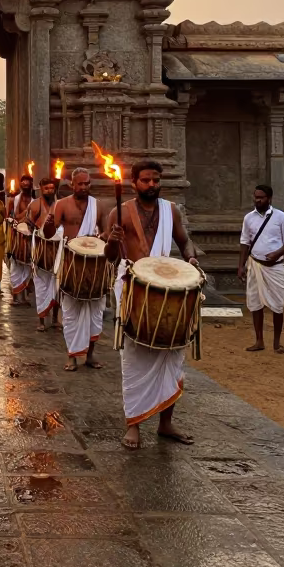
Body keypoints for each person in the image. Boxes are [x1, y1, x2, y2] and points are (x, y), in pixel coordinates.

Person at [105, 158, 199, 450]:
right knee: (134, 357)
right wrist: (112, 239)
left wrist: (191, 258)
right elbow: (110, 257)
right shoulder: (118, 212)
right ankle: (133, 424)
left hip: (166, 284)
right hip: (133, 286)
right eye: (146, 180)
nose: (152, 185)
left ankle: (166, 423)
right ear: (134, 183)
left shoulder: (171, 211)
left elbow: (184, 242)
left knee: (172, 356)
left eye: (156, 180)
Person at [43, 167, 102, 365]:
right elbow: (49, 233)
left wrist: (102, 240)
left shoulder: (98, 206)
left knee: (95, 313)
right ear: (72, 185)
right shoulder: (62, 205)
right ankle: (72, 356)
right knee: (70, 313)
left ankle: (91, 355)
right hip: (70, 261)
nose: (84, 187)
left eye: (87, 183)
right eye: (80, 184)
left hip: (94, 264)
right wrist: (49, 223)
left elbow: (107, 233)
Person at [237, 183, 284, 354]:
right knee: (255, 304)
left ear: (269, 199)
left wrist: (277, 253)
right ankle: (259, 341)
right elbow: (244, 243)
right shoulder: (249, 218)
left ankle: (277, 343)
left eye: (261, 197)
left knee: (277, 305)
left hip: (275, 267)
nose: (257, 200)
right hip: (254, 264)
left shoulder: (281, 217)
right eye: (256, 197)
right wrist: (240, 266)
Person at [28, 177, 61, 332]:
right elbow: (28, 226)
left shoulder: (60, 205)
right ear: (41, 189)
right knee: (41, 287)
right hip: (41, 249)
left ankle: (55, 319)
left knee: (57, 286)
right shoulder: (35, 205)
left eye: (52, 188)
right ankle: (41, 320)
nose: (50, 191)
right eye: (46, 188)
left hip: (57, 250)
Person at [7, 174, 34, 305]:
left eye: (27, 184)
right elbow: (9, 217)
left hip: (29, 237)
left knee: (27, 268)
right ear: (20, 186)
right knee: (16, 268)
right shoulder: (14, 200)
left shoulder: (35, 201)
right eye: (23, 183)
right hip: (17, 237)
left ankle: (23, 298)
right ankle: (15, 298)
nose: (25, 185)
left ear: (31, 185)